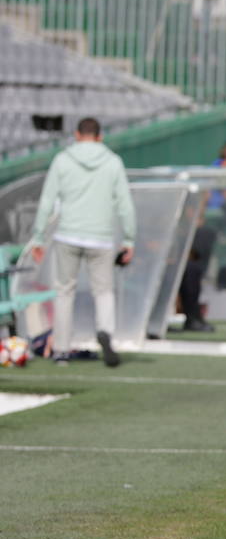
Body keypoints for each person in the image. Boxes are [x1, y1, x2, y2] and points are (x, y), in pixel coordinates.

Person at [28, 118, 134, 367]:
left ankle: (61, 351)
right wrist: (129, 239)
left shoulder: (63, 159)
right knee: (104, 291)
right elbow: (125, 204)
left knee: (64, 291)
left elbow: (46, 200)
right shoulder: (113, 162)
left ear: (77, 134)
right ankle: (105, 331)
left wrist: (38, 236)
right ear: (100, 136)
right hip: (101, 237)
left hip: (68, 234)